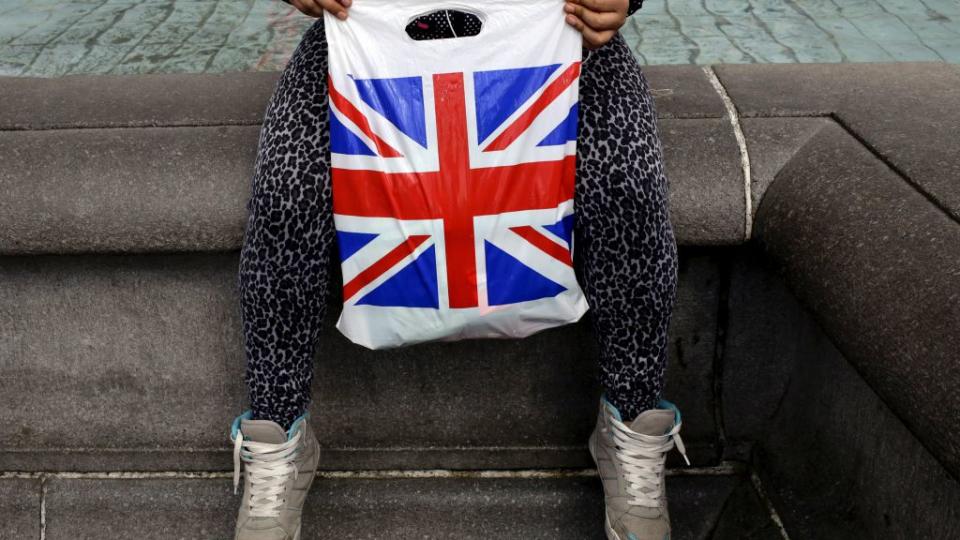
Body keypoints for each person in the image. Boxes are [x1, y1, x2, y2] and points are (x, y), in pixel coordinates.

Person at [230, 0, 686, 539]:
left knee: (626, 189)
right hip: (370, 44)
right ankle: (278, 433)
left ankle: (630, 424)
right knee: (287, 195)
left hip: (557, 39)